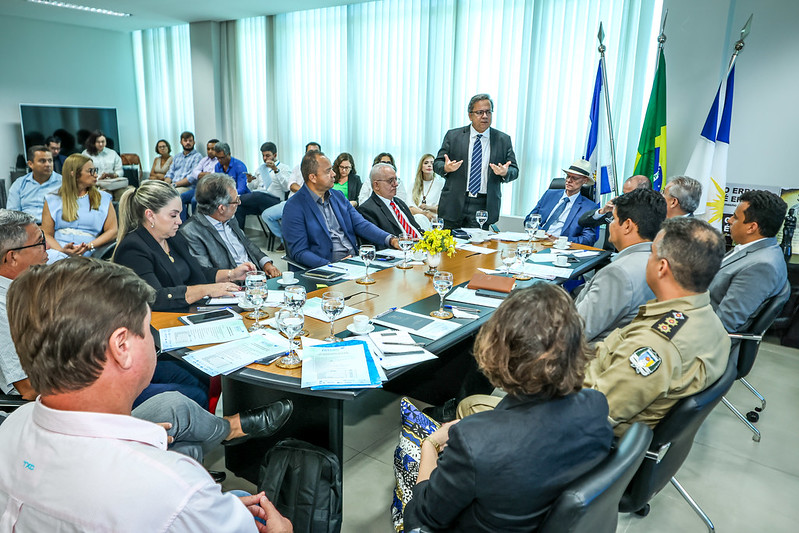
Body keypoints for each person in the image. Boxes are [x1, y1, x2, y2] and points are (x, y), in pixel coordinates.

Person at [0, 256, 294, 532]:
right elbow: (169, 501)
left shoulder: (12, 425)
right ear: (122, 347)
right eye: (147, 329)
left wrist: (205, 510)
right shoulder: (174, 486)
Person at [0, 211, 292, 463]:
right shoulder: (6, 306)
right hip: (79, 391)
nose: (48, 251)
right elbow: (28, 388)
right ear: (12, 257)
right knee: (180, 402)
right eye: (40, 243)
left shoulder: (30, 283)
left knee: (194, 371)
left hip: (88, 365)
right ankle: (227, 430)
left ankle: (200, 434)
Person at [403, 283, 613, 532]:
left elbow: (426, 515)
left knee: (407, 451)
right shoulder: (596, 406)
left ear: (498, 351)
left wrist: (430, 445)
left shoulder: (475, 443)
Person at [583, 217, 730, 436]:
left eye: (651, 254)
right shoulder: (707, 320)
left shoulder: (655, 345)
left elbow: (590, 414)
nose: (647, 260)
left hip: (588, 431)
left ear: (662, 267)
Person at [113, 180, 251, 311]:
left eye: (179, 214)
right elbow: (154, 297)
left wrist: (231, 274)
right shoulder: (133, 249)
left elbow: (196, 272)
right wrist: (206, 290)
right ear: (150, 215)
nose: (179, 221)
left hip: (184, 311)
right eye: (173, 215)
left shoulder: (173, 238)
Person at [575, 188, 667, 342]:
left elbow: (576, 331)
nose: (611, 225)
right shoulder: (660, 262)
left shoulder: (617, 274)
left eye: (614, 219)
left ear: (627, 226)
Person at [282, 150, 399, 268]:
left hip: (353, 262)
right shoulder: (294, 206)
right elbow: (299, 252)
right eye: (328, 171)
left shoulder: (338, 197)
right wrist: (332, 266)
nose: (334, 173)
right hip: (325, 269)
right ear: (313, 177)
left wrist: (390, 239)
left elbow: (361, 224)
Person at [434, 94, 519, 228]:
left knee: (478, 248)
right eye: (480, 112)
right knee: (448, 247)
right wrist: (446, 168)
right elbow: (437, 163)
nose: (484, 116)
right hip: (453, 203)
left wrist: (505, 172)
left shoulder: (503, 140)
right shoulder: (453, 136)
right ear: (470, 115)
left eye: (488, 112)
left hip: (483, 206)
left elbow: (514, 170)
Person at [709, 189, 788, 332]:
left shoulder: (762, 266)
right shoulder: (752, 248)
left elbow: (724, 323)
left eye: (735, 217)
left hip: (705, 339)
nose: (729, 220)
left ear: (752, 227)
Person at [181, 174, 281, 278]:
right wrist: (233, 275)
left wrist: (266, 263)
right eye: (236, 200)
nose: (239, 203)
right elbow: (206, 273)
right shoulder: (191, 232)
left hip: (256, 279)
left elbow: (247, 243)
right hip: (233, 286)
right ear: (222, 208)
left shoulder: (229, 218)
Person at [42, 154, 117, 263]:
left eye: (95, 170)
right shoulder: (52, 199)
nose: (96, 175)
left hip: (89, 250)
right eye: (91, 171)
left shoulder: (103, 198)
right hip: (58, 251)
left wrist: (89, 246)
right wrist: (62, 251)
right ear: (74, 174)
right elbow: (47, 234)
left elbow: (113, 231)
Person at [523, 158, 597, 245]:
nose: (569, 180)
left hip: (559, 248)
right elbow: (529, 219)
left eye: (574, 178)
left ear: (585, 181)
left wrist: (559, 240)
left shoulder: (589, 207)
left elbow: (588, 239)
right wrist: (540, 233)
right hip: (536, 241)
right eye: (568, 176)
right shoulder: (549, 194)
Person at [261, 142, 321, 244]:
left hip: (311, 204)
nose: (313, 155)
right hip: (293, 202)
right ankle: (285, 240)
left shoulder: (323, 170)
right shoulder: (298, 168)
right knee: (267, 215)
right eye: (310, 152)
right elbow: (291, 185)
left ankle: (294, 243)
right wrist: (306, 192)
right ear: (305, 153)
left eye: (316, 152)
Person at [214, 142, 279, 230]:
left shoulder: (283, 168)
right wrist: (249, 181)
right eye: (263, 156)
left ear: (275, 155)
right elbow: (252, 187)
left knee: (256, 195)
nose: (265, 158)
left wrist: (276, 171)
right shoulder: (260, 169)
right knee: (238, 207)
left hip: (273, 199)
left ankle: (232, 200)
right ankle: (238, 236)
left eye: (267, 156)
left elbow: (286, 187)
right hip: (258, 200)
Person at [357, 163, 423, 238]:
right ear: (376, 185)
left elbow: (417, 228)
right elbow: (378, 242)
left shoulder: (399, 203)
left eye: (396, 179)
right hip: (400, 248)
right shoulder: (367, 210)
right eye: (390, 180)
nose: (396, 184)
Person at [7, 145, 62, 223]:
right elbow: (12, 214)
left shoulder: (63, 183)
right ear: (30, 164)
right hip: (26, 228)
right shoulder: (19, 184)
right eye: (42, 161)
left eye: (50, 160)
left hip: (54, 227)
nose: (48, 164)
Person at [578, 174, 652, 229]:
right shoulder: (618, 209)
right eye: (623, 194)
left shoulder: (652, 216)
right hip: (609, 250)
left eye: (629, 194)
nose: (625, 197)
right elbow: (582, 222)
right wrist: (602, 211)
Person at [410, 153, 445, 221]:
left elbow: (442, 209)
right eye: (426, 163)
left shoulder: (441, 185)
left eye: (432, 163)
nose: (429, 165)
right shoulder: (413, 185)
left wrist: (428, 207)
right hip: (416, 221)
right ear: (421, 167)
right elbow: (410, 208)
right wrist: (425, 214)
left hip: (435, 222)